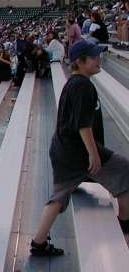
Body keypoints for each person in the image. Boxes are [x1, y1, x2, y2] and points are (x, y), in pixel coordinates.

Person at [30, 40, 129, 257]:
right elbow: (84, 125)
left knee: (59, 196)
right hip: (79, 151)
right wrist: (93, 154)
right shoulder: (84, 86)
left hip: (63, 150)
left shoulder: (72, 83)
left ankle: (38, 243)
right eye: (93, 57)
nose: (98, 59)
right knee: (126, 173)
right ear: (80, 62)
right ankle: (124, 230)